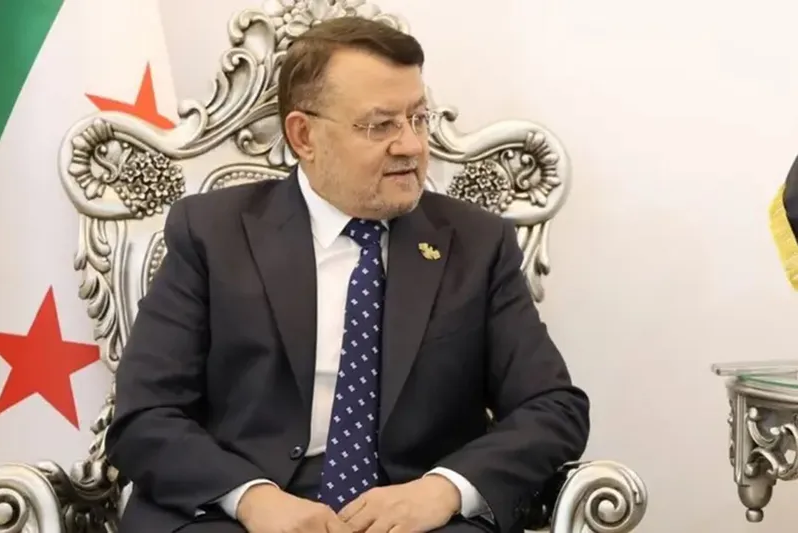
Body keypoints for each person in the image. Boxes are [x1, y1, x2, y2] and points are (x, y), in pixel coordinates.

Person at [105, 15, 590, 533]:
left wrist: (444, 489)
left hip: (417, 516)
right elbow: (145, 416)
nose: (411, 145)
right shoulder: (212, 232)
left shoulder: (476, 243)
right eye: (380, 125)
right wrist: (252, 499)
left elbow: (553, 408)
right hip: (240, 513)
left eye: (418, 119)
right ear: (304, 135)